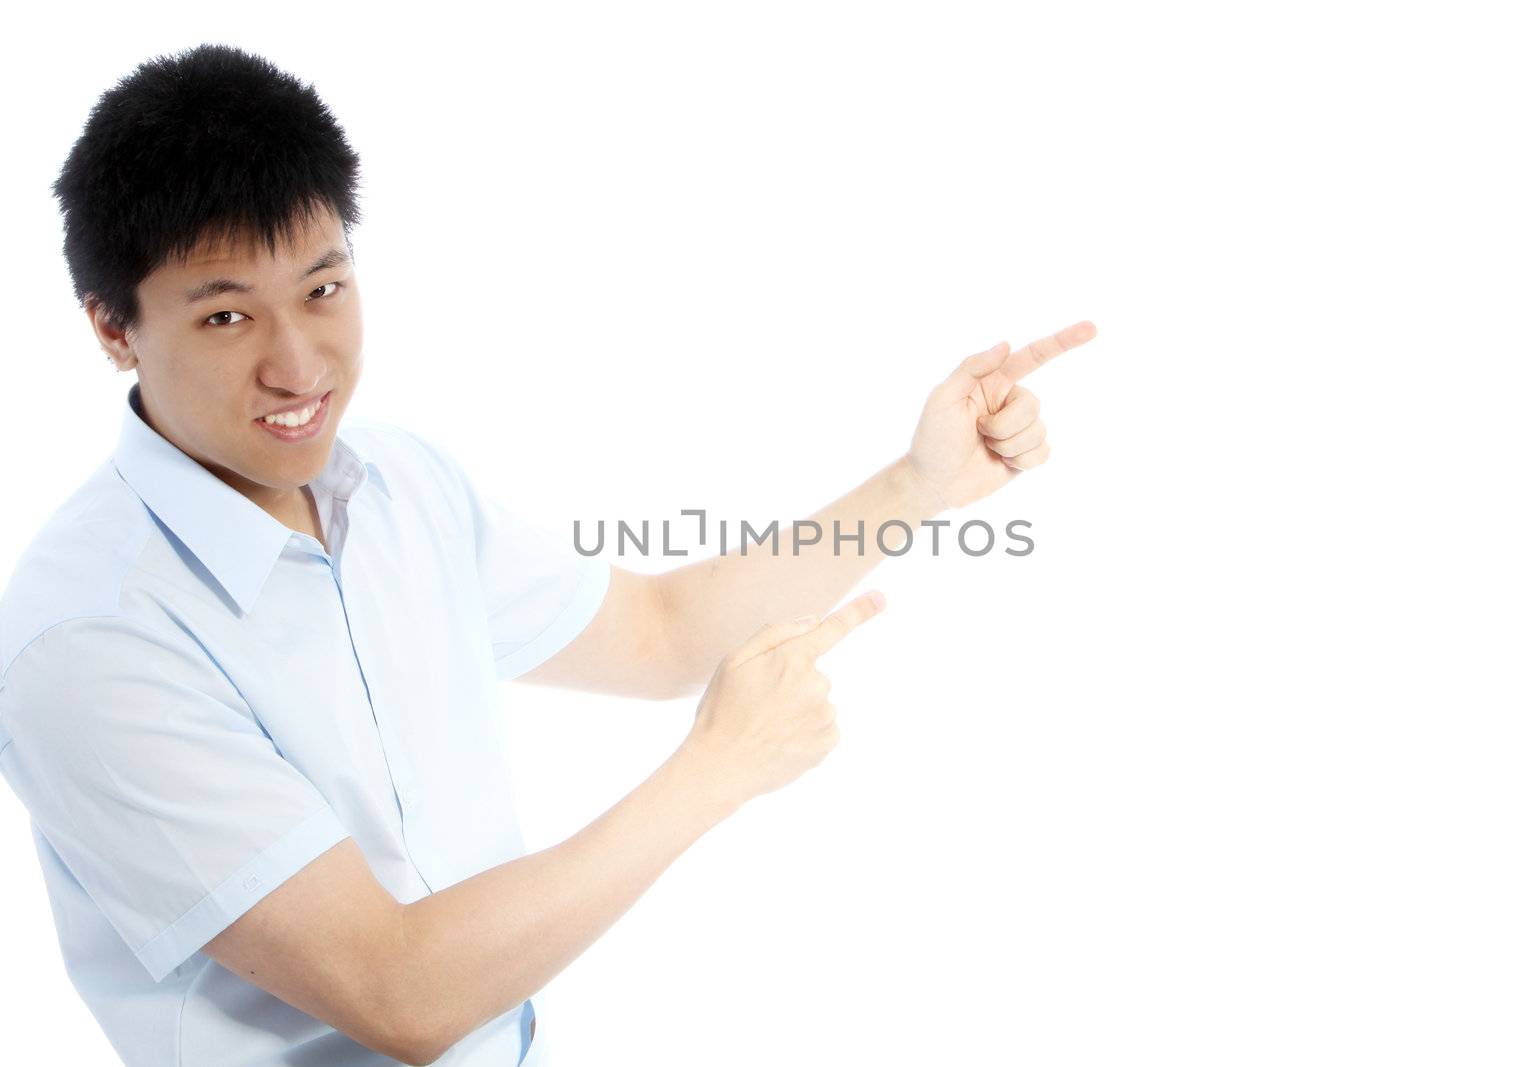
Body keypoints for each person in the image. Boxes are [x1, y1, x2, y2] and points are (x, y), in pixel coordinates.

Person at [0, 42, 1095, 1067]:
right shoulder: (88, 634)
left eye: (324, 289)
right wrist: (718, 770)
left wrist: (919, 484)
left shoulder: (395, 482)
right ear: (111, 326)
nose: (300, 367)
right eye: (228, 317)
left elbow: (660, 636)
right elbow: (400, 994)